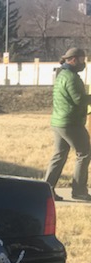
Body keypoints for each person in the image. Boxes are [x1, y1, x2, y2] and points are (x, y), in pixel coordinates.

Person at [45, 47, 91, 201]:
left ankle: (46, 191)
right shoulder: (71, 77)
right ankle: (79, 191)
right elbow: (79, 100)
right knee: (84, 154)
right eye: (82, 59)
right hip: (71, 123)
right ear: (73, 59)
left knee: (59, 155)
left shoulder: (61, 75)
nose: (83, 63)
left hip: (58, 122)